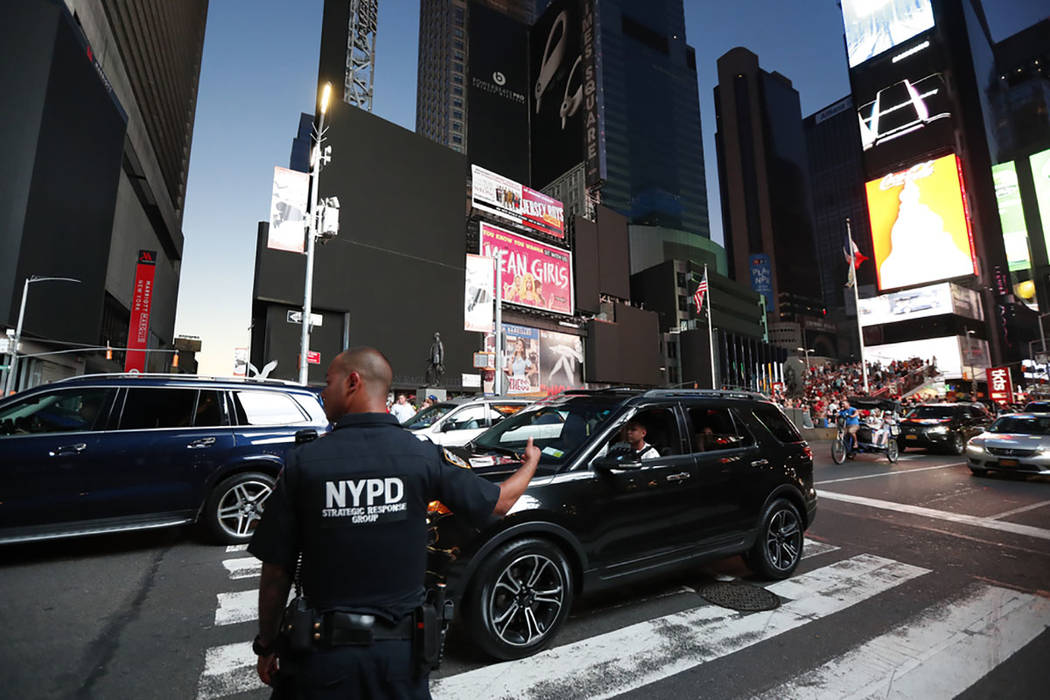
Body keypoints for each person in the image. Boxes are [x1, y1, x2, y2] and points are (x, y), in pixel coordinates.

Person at [248, 347, 541, 698]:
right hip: (400, 663)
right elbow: (501, 502)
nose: (322, 393)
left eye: (328, 382)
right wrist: (531, 462)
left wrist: (266, 645)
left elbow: (276, 572)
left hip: (321, 660)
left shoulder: (303, 463)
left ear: (353, 382)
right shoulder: (422, 455)